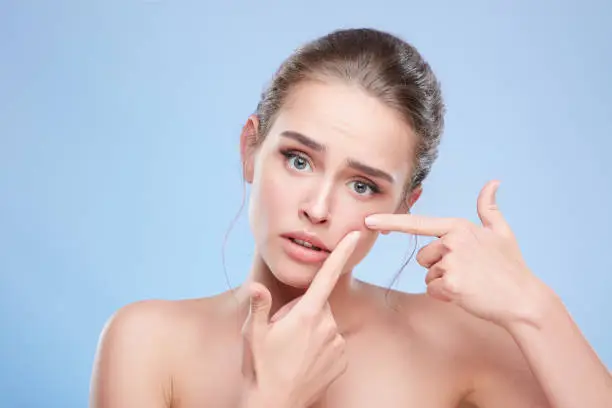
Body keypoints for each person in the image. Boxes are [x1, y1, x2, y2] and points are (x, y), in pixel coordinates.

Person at [89, 28, 611, 408]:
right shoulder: (147, 342)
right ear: (251, 148)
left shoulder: (458, 343)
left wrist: (533, 308)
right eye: (298, 159)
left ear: (405, 205)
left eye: (362, 185)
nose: (317, 208)